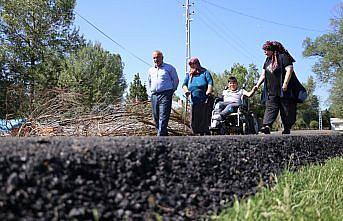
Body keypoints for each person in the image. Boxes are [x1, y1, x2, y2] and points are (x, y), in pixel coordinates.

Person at [254, 41, 307, 134]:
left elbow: (289, 69)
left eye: (267, 50)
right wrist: (257, 85)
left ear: (273, 50)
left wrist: (285, 83)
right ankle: (266, 126)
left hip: (284, 90)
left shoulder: (283, 57)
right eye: (264, 50)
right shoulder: (267, 60)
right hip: (271, 91)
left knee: (286, 109)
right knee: (270, 107)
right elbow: (263, 75)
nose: (265, 52)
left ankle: (287, 127)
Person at [148, 50, 179, 136]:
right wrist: (151, 90)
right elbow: (150, 81)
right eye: (154, 58)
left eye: (157, 57)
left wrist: (172, 90)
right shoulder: (151, 70)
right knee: (156, 116)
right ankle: (164, 136)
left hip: (165, 94)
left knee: (163, 116)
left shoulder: (169, 68)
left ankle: (160, 136)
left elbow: (175, 80)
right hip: (154, 95)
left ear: (162, 58)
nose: (155, 59)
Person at [182, 57, 214, 135]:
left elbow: (210, 82)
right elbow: (184, 84)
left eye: (194, 64)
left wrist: (209, 90)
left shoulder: (205, 72)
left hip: (204, 97)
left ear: (198, 64)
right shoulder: (189, 75)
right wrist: (186, 91)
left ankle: (204, 131)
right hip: (194, 98)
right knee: (194, 116)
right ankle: (195, 132)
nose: (192, 65)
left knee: (203, 115)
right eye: (191, 64)